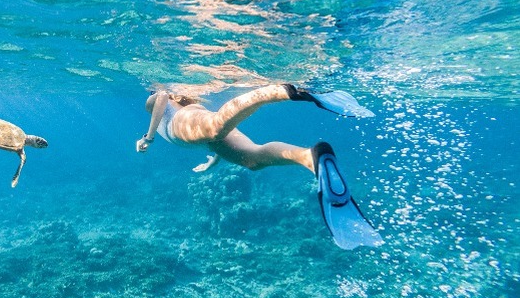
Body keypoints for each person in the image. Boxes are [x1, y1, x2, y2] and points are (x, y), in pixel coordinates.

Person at [136, 83, 382, 250]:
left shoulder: (154, 101)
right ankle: (310, 158)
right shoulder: (188, 105)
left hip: (181, 125)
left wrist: (148, 137)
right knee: (252, 159)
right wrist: (214, 159)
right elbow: (207, 137)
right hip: (194, 130)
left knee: (214, 125)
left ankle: (285, 90)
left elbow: (160, 97)